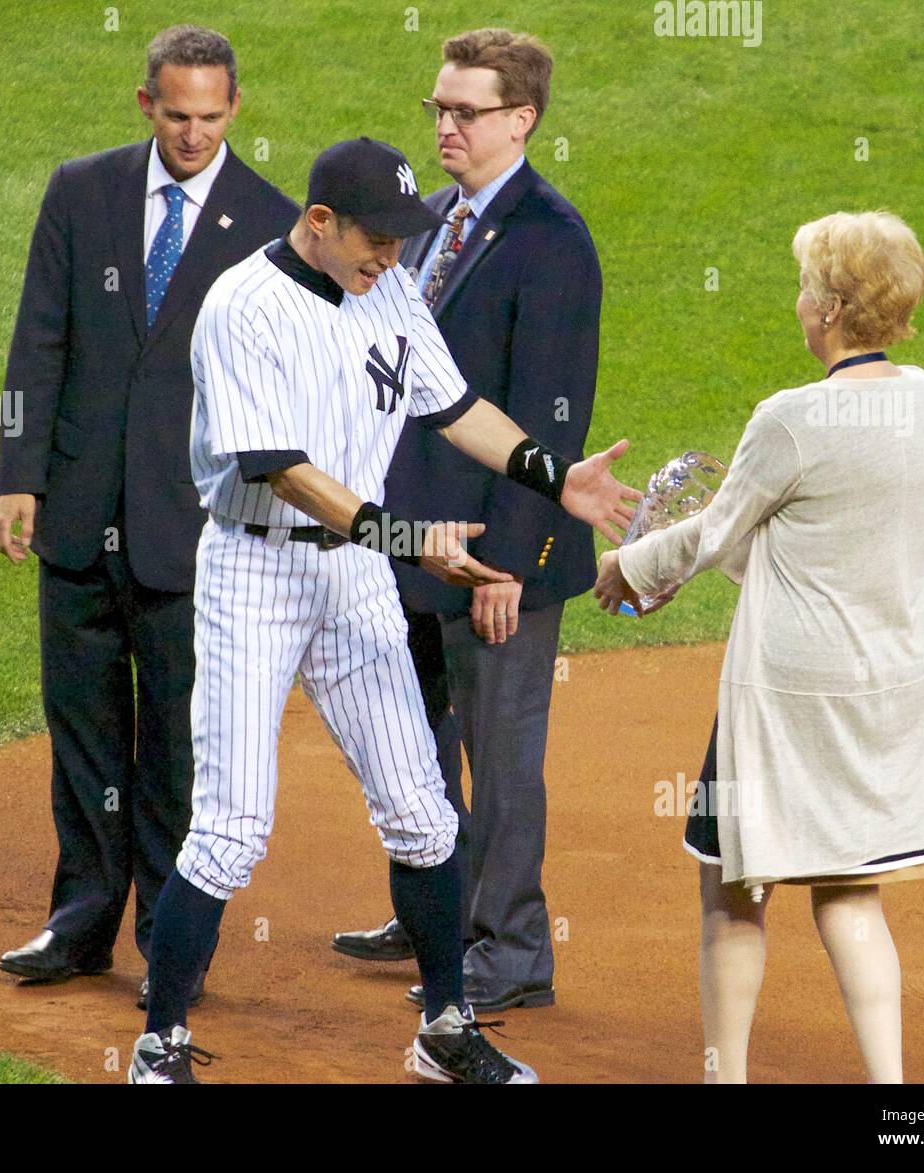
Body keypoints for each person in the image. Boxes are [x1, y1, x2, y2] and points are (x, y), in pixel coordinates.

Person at [128, 137, 640, 1084]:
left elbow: (455, 406)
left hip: (354, 578)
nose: (393, 258)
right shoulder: (244, 307)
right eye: (376, 239)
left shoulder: (387, 286)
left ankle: (445, 1028)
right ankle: (157, 1047)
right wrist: (408, 540)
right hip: (257, 573)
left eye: (404, 240)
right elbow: (275, 468)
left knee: (425, 814)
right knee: (231, 828)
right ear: (320, 223)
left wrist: (554, 474)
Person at [593, 210, 924, 1083]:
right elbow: (816, 540)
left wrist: (625, 565)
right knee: (850, 891)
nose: (796, 303)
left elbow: (716, 534)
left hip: (790, 702)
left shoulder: (790, 418)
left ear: (831, 308)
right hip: (892, 686)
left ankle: (728, 1079)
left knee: (733, 891)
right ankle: (892, 1095)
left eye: (804, 288)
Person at [0, 26, 297, 1010]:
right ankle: (80, 924)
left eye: (210, 117)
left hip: (195, 531)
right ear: (146, 103)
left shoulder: (272, 223)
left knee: (174, 749)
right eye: (177, 116)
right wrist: (18, 475)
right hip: (77, 515)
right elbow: (39, 339)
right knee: (82, 732)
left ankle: (172, 943)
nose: (194, 134)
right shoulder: (81, 191)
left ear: (234, 109)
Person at [330, 28, 601, 1015]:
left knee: (502, 755)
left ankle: (514, 954)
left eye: (465, 112)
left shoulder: (551, 240)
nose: (445, 126)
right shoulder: (434, 219)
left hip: (495, 557)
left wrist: (514, 570)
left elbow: (549, 411)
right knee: (420, 741)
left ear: (519, 119)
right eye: (437, 109)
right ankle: (433, 911)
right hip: (411, 547)